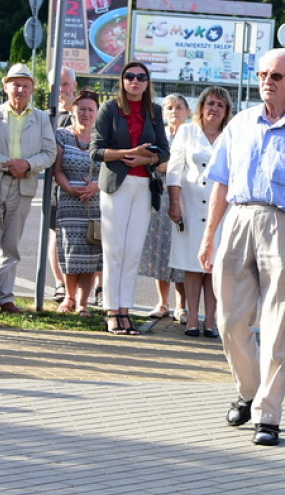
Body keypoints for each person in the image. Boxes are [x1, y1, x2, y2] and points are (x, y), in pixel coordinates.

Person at [199, 47, 285, 447]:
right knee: (228, 321)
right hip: (239, 219)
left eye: (276, 76)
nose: (267, 83)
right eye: (262, 75)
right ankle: (249, 389)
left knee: (277, 327)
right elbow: (220, 184)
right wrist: (209, 236)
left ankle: (268, 415)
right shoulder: (240, 124)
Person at [90, 62, 169, 336]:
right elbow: (96, 151)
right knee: (114, 250)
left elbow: (164, 151)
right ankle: (112, 311)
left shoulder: (155, 111)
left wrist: (149, 157)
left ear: (148, 83)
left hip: (145, 184)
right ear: (122, 80)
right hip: (116, 185)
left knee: (133, 251)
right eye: (130, 77)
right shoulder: (109, 109)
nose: (135, 81)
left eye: (141, 77)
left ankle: (126, 310)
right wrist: (127, 152)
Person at [0, 64, 57, 314]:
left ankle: (6, 297)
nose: (20, 89)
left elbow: (49, 153)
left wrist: (28, 165)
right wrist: (10, 165)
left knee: (11, 245)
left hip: (23, 185)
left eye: (25, 85)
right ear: (5, 86)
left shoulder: (41, 118)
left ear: (32, 89)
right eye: (15, 84)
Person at [167, 87, 232, 337]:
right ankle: (192, 316)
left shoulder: (231, 134)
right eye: (210, 104)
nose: (214, 109)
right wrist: (174, 202)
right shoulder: (187, 131)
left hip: (221, 208)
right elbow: (175, 169)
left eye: (220, 105)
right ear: (201, 107)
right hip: (190, 205)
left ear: (226, 111)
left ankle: (211, 320)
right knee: (192, 264)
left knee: (214, 264)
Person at [139, 94, 189, 321]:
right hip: (161, 197)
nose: (174, 111)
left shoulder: (193, 135)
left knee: (183, 249)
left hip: (187, 197)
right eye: (169, 107)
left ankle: (182, 305)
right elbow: (155, 164)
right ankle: (162, 302)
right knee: (162, 250)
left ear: (188, 111)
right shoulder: (159, 136)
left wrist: (169, 164)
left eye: (179, 107)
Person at [54, 91, 103, 318]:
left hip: (95, 204)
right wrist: (70, 188)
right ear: (73, 110)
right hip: (69, 201)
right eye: (81, 108)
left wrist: (96, 186)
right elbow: (58, 170)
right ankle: (69, 297)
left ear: (97, 112)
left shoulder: (104, 138)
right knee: (70, 252)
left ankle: (83, 303)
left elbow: (111, 171)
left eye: (90, 109)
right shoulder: (62, 135)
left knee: (91, 254)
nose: (86, 113)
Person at [49, 67, 79, 304]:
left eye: (66, 84)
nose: (62, 90)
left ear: (74, 87)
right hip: (57, 185)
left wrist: (73, 109)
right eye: (57, 85)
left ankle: (95, 289)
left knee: (91, 237)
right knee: (55, 235)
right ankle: (59, 284)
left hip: (84, 182)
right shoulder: (47, 115)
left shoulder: (85, 110)